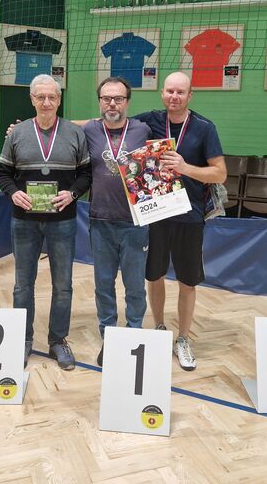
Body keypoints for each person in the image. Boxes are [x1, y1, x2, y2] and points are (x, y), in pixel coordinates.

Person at [0, 74, 91, 371]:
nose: (46, 102)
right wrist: (13, 193)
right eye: (41, 97)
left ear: (59, 100)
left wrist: (72, 193)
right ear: (32, 99)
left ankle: (58, 340)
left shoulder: (75, 134)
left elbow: (86, 174)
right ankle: (22, 339)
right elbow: (3, 173)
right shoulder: (17, 133)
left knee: (63, 285)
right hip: (24, 221)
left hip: (62, 220)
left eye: (52, 97)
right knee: (22, 285)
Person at [134, 71, 226, 371]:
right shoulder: (149, 121)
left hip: (190, 217)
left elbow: (220, 173)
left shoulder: (204, 128)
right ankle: (160, 329)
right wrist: (58, 122)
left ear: (190, 95)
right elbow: (105, 123)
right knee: (154, 276)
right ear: (162, 93)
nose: (174, 96)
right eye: (170, 91)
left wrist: (185, 168)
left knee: (187, 281)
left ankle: (183, 338)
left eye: (180, 92)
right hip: (155, 214)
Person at [83, 77, 152, 366]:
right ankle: (109, 337)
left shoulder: (142, 130)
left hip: (136, 222)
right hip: (100, 221)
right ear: (100, 101)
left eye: (118, 99)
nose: (112, 104)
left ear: (127, 102)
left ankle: (133, 335)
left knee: (135, 286)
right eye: (107, 98)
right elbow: (63, 126)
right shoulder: (89, 130)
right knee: (103, 285)